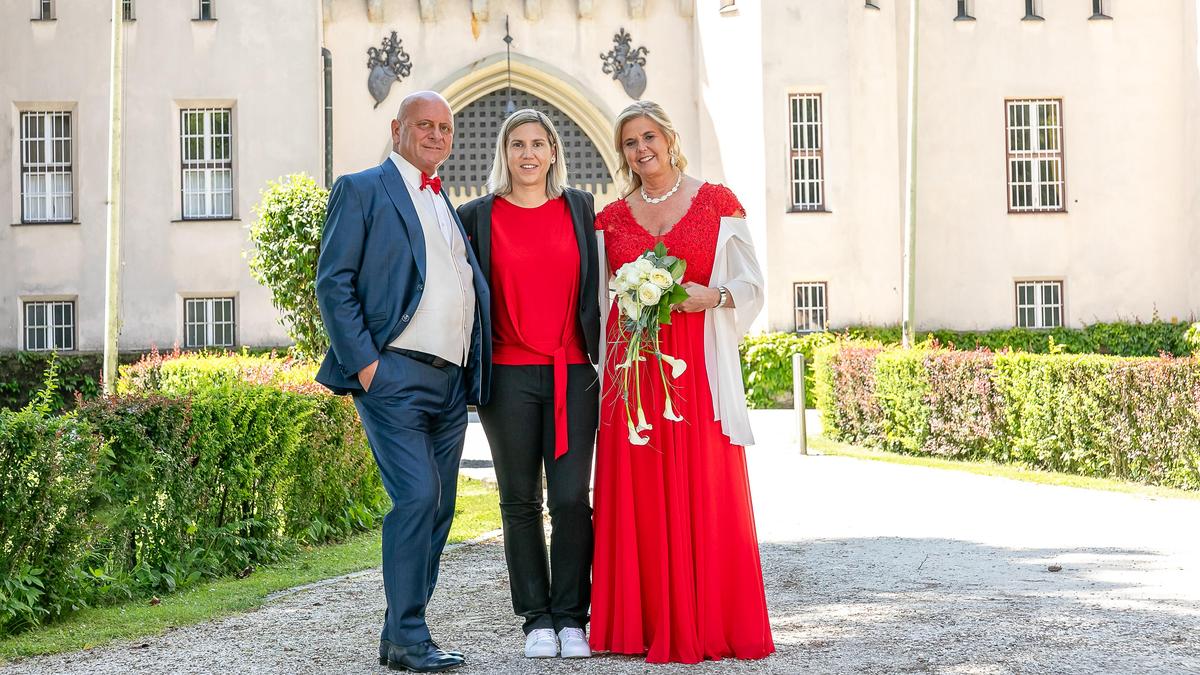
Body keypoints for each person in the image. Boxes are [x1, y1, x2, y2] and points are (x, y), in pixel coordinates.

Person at [588, 100, 775, 664]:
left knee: (703, 484)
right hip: (633, 371)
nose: (641, 149)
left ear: (668, 138)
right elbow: (599, 301)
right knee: (639, 489)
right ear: (622, 153)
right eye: (629, 142)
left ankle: (707, 620)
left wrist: (712, 296)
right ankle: (637, 624)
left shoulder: (717, 202)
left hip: (696, 362)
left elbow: (751, 285)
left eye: (649, 137)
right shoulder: (610, 219)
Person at [315, 90, 491, 673]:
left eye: (445, 127)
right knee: (416, 496)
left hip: (450, 380)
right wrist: (367, 366)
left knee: (439, 507)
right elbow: (333, 282)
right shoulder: (362, 188)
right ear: (398, 129)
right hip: (393, 375)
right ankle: (410, 635)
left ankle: (400, 636)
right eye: (425, 125)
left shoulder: (445, 203)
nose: (437, 135)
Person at [457, 109, 600, 660]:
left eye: (538, 144)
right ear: (504, 153)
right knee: (519, 501)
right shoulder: (477, 216)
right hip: (508, 376)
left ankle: (571, 616)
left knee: (570, 499)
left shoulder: (580, 209)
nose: (528, 154)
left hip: (572, 373)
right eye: (517, 144)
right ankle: (535, 619)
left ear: (554, 153)